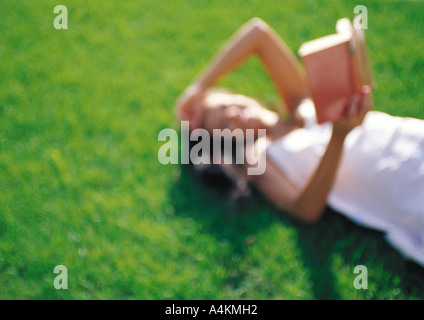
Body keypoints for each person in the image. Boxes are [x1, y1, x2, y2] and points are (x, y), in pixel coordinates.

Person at [175, 18, 424, 267]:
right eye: (224, 126)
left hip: (412, 137)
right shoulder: (260, 158)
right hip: (403, 190)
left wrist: (198, 87)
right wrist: (338, 137)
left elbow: (258, 33)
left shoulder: (300, 102)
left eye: (227, 105)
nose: (234, 115)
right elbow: (305, 210)